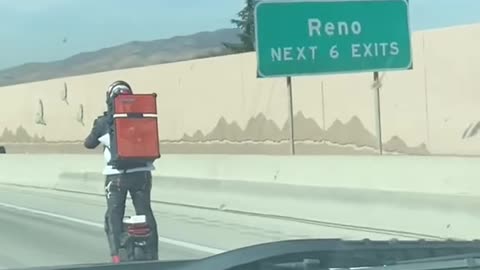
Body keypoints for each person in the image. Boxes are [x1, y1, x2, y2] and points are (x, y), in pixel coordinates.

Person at [83, 80, 159, 263]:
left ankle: (116, 256)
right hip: (142, 173)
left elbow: (89, 144)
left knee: (114, 214)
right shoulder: (143, 118)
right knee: (145, 211)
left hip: (116, 175)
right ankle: (154, 255)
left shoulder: (104, 122)